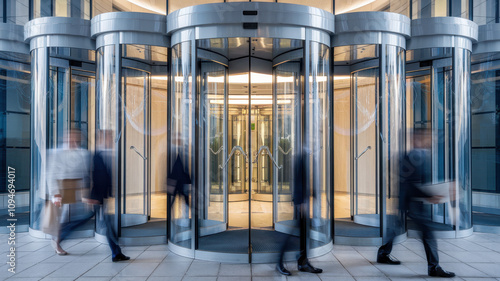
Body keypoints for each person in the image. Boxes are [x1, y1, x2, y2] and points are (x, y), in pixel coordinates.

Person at [376, 128, 455, 278]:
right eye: (426, 138)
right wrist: (430, 195)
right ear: (416, 139)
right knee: (428, 233)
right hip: (413, 202)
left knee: (396, 228)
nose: (429, 140)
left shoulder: (417, 155)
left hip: (411, 200)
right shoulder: (411, 156)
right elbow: (411, 184)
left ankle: (383, 254)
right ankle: (434, 267)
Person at [85, 130, 130, 262]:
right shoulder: (96, 155)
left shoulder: (106, 153)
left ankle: (116, 252)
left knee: (105, 223)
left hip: (101, 196)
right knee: (107, 224)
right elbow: (92, 177)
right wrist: (92, 197)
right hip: (97, 197)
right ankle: (116, 252)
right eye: (109, 137)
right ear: (102, 139)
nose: (111, 140)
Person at [276, 148, 322, 276]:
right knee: (293, 234)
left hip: (304, 199)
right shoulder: (302, 155)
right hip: (302, 201)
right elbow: (298, 178)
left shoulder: (306, 154)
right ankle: (280, 262)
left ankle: (303, 262)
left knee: (303, 232)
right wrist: (301, 202)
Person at [47, 129, 91, 255]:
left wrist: (86, 192)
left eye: (75, 137)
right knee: (62, 217)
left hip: (77, 188)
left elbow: (85, 173)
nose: (72, 140)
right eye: (70, 137)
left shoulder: (82, 153)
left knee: (82, 216)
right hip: (61, 188)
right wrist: (55, 193)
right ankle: (57, 241)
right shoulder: (57, 153)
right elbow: (50, 174)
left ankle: (58, 238)